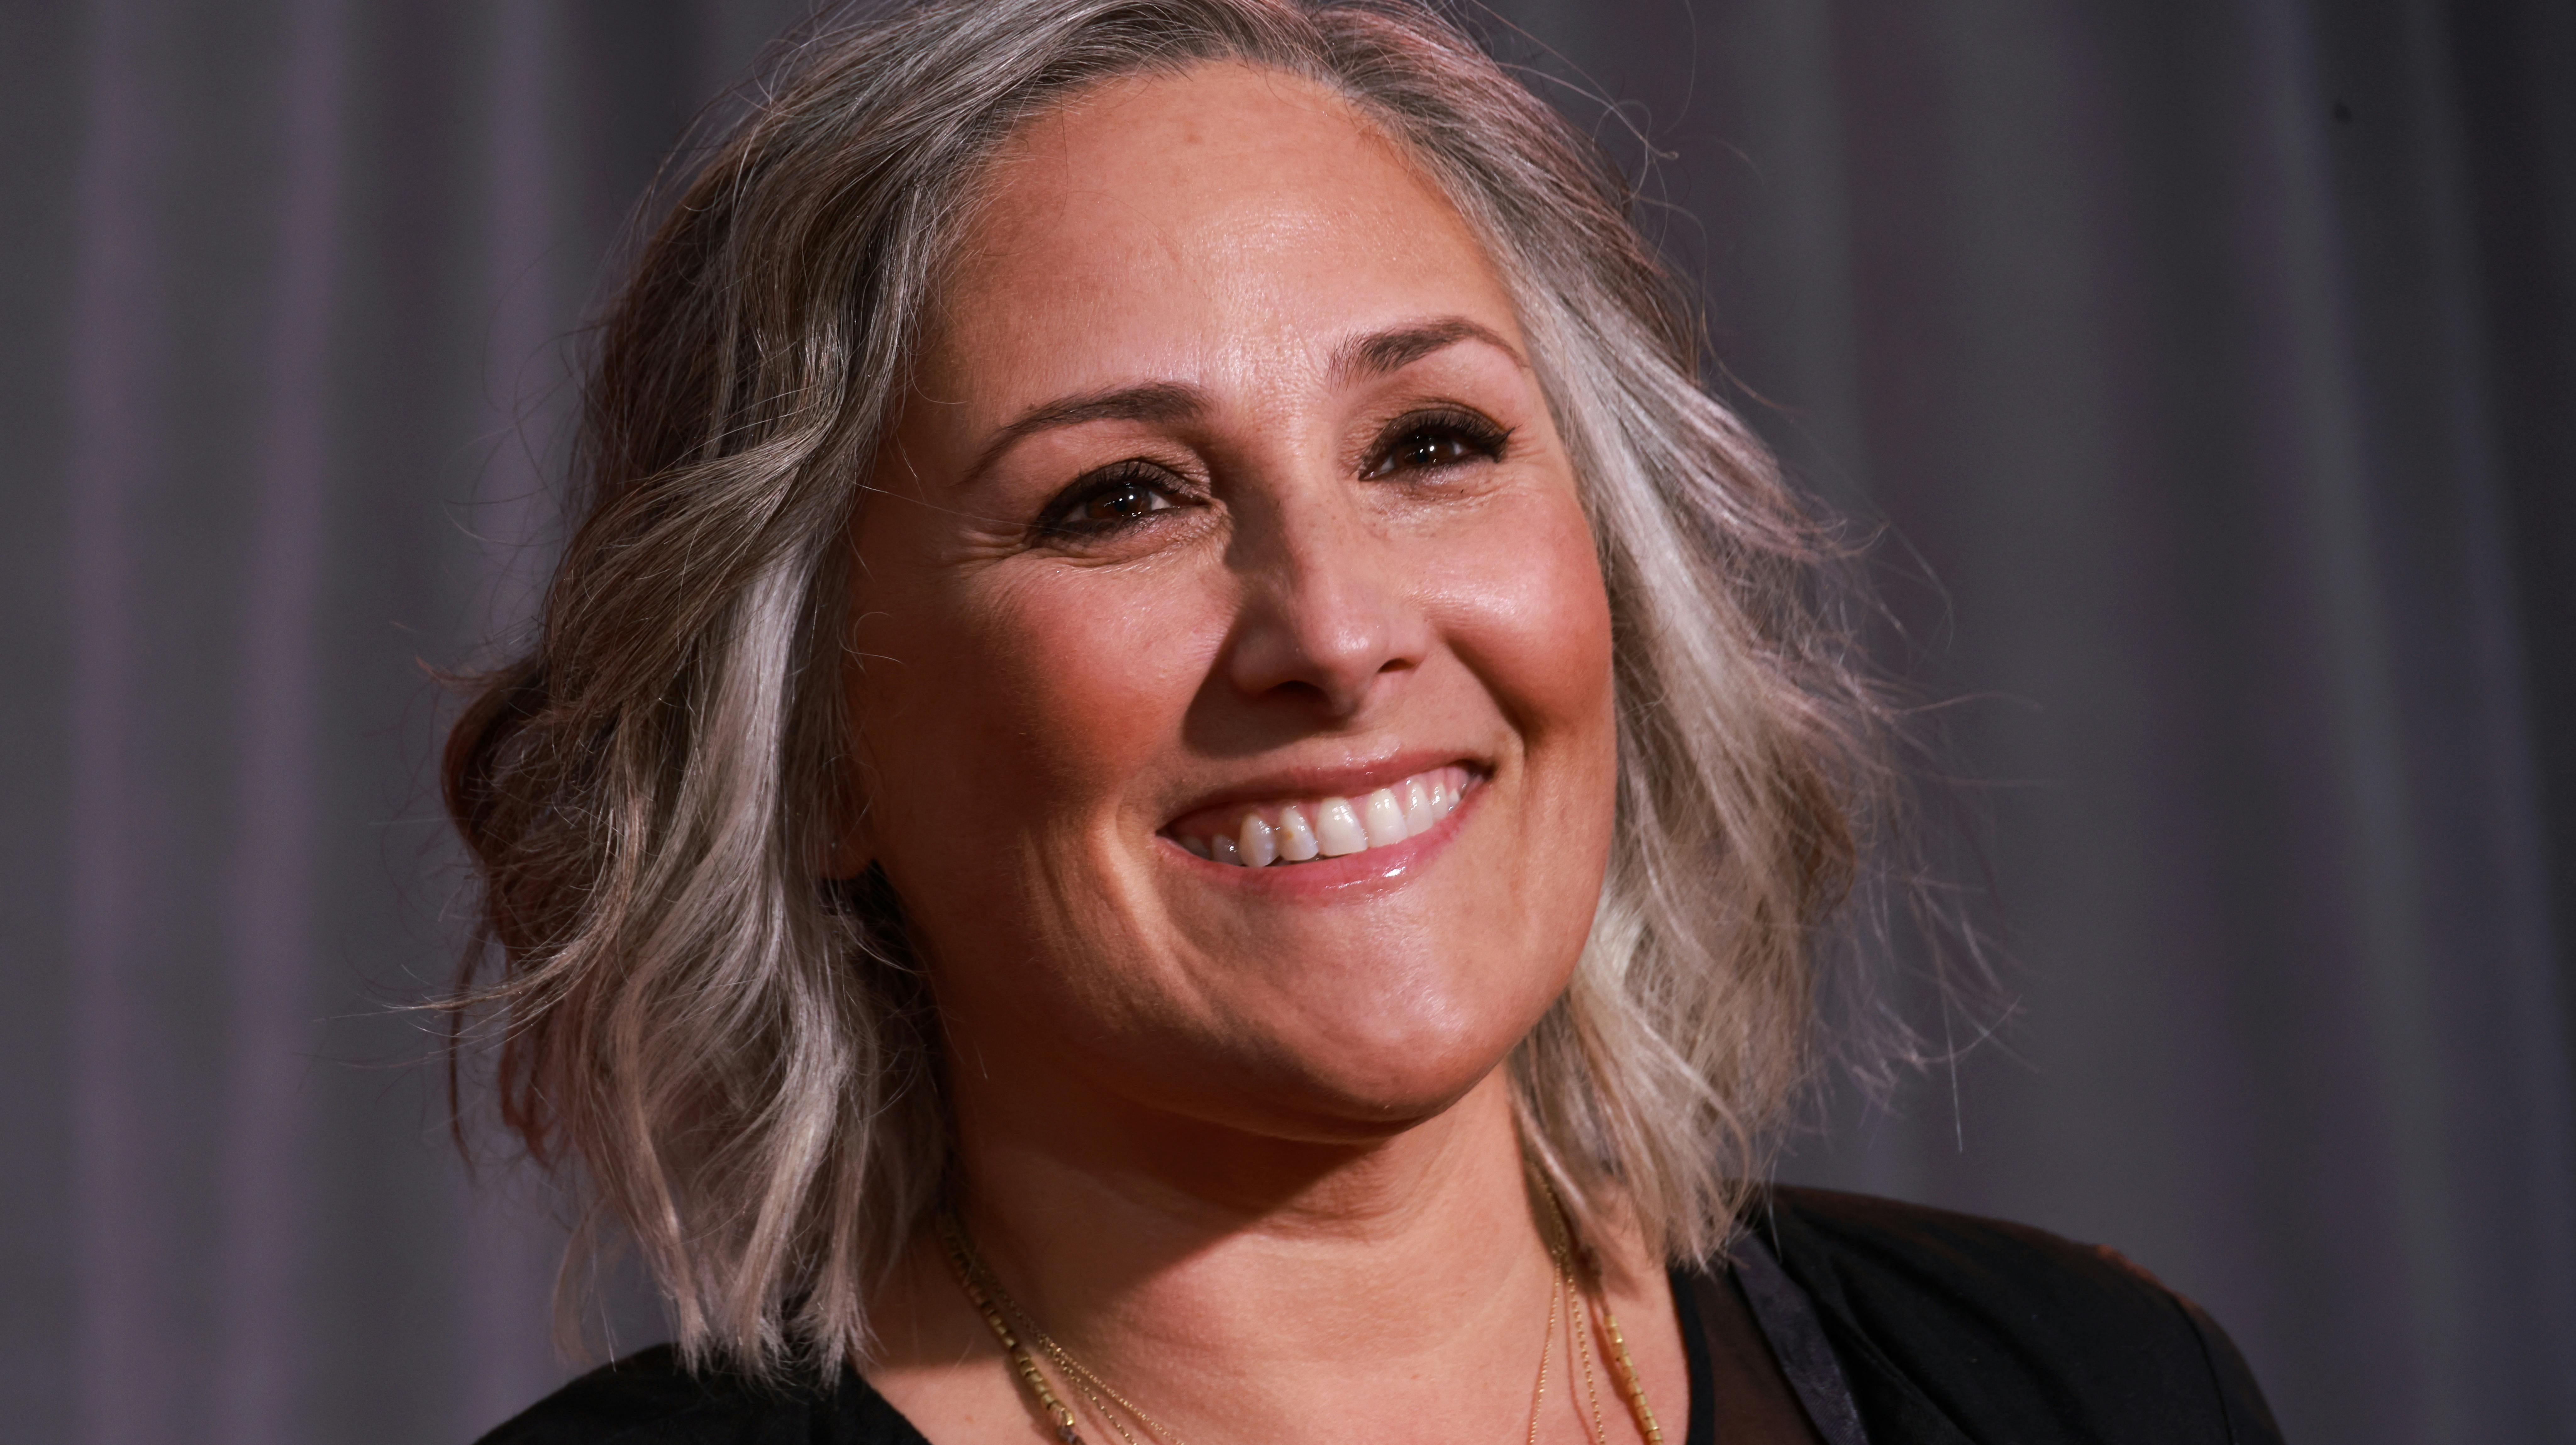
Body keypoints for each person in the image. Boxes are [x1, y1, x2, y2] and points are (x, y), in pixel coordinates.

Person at [445, 1, 2281, 1441]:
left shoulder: (2092, 1391)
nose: (1333, 632)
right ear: (812, 743)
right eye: (1121, 498)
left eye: (1431, 445)